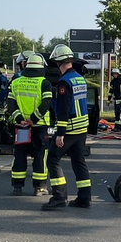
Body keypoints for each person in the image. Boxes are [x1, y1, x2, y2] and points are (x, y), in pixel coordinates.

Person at [42, 44, 91, 210]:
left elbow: (63, 110)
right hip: (82, 127)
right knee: (79, 161)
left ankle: (59, 197)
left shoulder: (64, 82)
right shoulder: (79, 78)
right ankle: (84, 197)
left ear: (59, 62)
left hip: (69, 128)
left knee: (52, 159)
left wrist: (60, 134)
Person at [8, 54, 53, 196]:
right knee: (40, 155)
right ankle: (39, 187)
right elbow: (46, 103)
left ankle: (17, 187)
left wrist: (20, 118)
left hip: (21, 126)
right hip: (39, 126)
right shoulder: (44, 83)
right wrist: (34, 119)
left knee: (20, 154)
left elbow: (10, 103)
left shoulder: (16, 82)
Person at [108, 68, 121, 132]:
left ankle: (118, 127)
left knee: (119, 113)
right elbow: (110, 91)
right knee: (117, 114)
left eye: (116, 74)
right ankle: (120, 126)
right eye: (114, 74)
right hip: (116, 100)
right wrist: (109, 99)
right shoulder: (113, 82)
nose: (115, 75)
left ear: (118, 74)